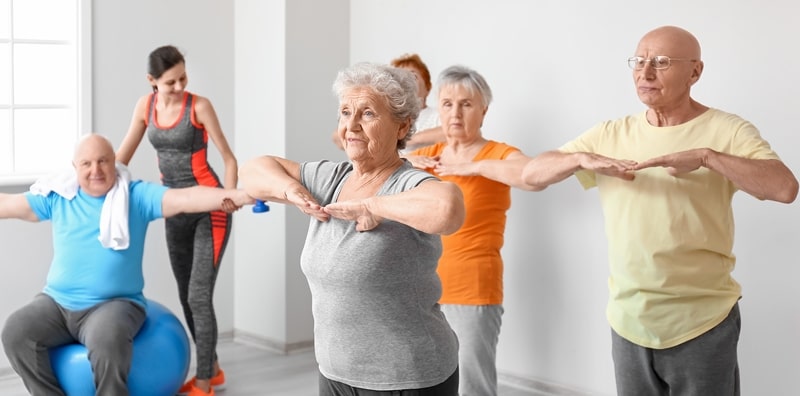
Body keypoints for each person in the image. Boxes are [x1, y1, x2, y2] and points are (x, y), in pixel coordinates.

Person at [521, 26, 798, 395]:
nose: (645, 73)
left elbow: (784, 187)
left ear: (695, 72)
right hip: (628, 320)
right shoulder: (609, 133)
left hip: (702, 322)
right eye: (639, 61)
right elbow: (531, 176)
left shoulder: (727, 130)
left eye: (661, 63)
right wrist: (578, 158)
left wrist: (706, 157)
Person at [240, 62, 465, 395]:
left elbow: (448, 208)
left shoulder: (408, 183)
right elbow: (253, 170)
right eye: (345, 113)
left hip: (408, 377)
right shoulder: (331, 178)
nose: (351, 126)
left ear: (402, 128)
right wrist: (291, 190)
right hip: (335, 372)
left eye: (368, 114)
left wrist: (373, 206)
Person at [0, 134, 253, 396]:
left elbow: (185, 198)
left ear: (114, 162)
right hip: (56, 302)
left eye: (103, 161)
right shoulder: (58, 197)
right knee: (16, 332)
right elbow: (7, 204)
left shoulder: (135, 196)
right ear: (75, 167)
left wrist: (236, 195)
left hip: (114, 304)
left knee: (107, 340)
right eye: (86, 163)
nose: (95, 170)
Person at [404, 65, 537, 396]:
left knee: (471, 386)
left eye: (466, 104)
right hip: (421, 288)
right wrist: (405, 160)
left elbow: (530, 174)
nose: (455, 112)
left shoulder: (498, 154)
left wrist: (473, 166)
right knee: (421, 381)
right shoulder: (426, 157)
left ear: (484, 111)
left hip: (472, 287)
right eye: (447, 104)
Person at [116, 45, 237, 396]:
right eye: (171, 82)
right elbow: (122, 158)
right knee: (187, 296)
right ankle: (211, 367)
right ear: (152, 81)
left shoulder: (198, 106)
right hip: (174, 209)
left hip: (210, 209)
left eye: (183, 77)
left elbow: (229, 159)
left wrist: (227, 196)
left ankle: (203, 383)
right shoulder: (145, 107)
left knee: (199, 295)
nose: (180, 85)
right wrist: (94, 183)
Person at [331, 53, 444, 151]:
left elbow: (452, 133)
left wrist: (406, 138)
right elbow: (337, 135)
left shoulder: (438, 115)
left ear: (428, 87)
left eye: (412, 76)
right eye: (397, 78)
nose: (404, 82)